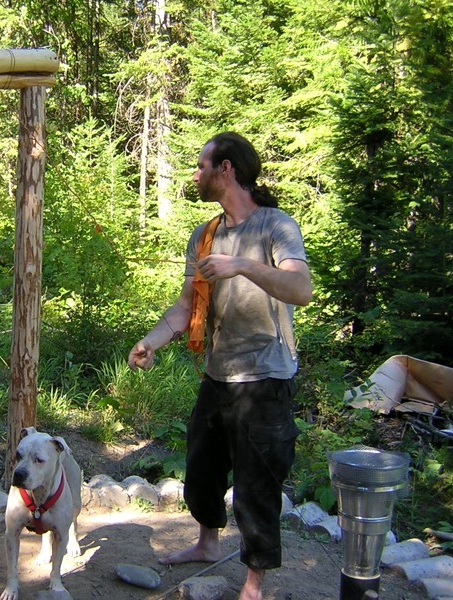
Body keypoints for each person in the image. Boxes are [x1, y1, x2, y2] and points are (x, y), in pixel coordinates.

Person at [128, 132, 312, 600]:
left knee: (257, 486)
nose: (195, 174)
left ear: (225, 169)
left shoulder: (276, 226)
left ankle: (253, 584)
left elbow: (301, 289)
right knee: (202, 471)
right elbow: (185, 306)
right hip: (218, 375)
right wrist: (151, 342)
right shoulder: (205, 234)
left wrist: (242, 266)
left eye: (201, 165)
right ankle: (207, 543)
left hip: (265, 379)